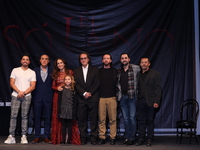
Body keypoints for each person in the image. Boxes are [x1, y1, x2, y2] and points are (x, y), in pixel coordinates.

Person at [4, 54, 36, 144]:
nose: (25, 61)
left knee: (25, 116)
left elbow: (33, 86)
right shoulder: (15, 70)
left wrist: (24, 93)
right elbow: (11, 83)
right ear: (21, 61)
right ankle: (11, 136)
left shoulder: (32, 72)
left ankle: (24, 136)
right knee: (13, 116)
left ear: (29, 62)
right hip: (15, 95)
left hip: (27, 96)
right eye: (23, 59)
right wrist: (19, 92)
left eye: (27, 59)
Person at [51, 57, 80, 145]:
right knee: (60, 117)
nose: (60, 64)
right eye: (58, 63)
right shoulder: (56, 74)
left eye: (61, 63)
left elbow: (73, 84)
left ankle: (70, 138)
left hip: (68, 96)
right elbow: (53, 86)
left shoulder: (70, 72)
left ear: (64, 63)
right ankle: (59, 138)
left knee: (70, 119)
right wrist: (57, 88)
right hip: (58, 96)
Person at [74, 52, 100, 145]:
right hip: (81, 98)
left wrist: (90, 93)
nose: (83, 60)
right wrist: (84, 93)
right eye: (81, 58)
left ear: (88, 59)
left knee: (93, 119)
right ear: (80, 60)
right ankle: (83, 137)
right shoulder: (76, 71)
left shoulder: (95, 69)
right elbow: (75, 84)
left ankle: (93, 137)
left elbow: (97, 83)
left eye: (85, 58)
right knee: (81, 119)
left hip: (93, 98)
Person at [135, 58, 161, 146]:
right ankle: (141, 138)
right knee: (141, 121)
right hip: (140, 101)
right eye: (142, 62)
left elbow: (158, 88)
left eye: (146, 62)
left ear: (149, 64)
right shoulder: (138, 74)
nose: (144, 64)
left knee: (150, 121)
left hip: (151, 101)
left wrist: (157, 101)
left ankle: (149, 139)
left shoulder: (155, 74)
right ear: (140, 64)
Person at [116, 53, 140, 145]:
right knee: (126, 119)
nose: (124, 59)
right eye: (122, 58)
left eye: (126, 58)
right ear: (120, 60)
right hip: (122, 97)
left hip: (132, 97)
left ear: (129, 59)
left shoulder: (136, 68)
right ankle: (127, 137)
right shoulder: (118, 70)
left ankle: (132, 137)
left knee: (132, 118)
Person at [31, 54, 53, 144]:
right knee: (37, 118)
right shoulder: (34, 71)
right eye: (42, 59)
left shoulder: (53, 71)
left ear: (48, 61)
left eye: (46, 59)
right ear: (40, 60)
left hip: (48, 97)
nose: (44, 60)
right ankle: (37, 136)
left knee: (48, 118)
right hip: (37, 97)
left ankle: (46, 136)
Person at [98, 54, 117, 145]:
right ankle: (102, 136)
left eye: (108, 58)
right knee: (101, 119)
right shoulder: (99, 72)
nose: (106, 60)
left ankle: (112, 137)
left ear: (111, 60)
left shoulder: (115, 71)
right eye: (104, 58)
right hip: (101, 98)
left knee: (112, 119)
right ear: (102, 61)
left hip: (112, 98)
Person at [58, 74, 76, 145]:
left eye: (69, 79)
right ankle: (63, 139)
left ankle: (69, 139)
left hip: (70, 109)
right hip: (63, 109)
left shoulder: (73, 90)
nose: (67, 81)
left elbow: (75, 101)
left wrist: (74, 111)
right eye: (66, 79)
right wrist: (59, 110)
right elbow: (59, 100)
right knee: (63, 125)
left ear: (71, 80)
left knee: (69, 125)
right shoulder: (61, 89)